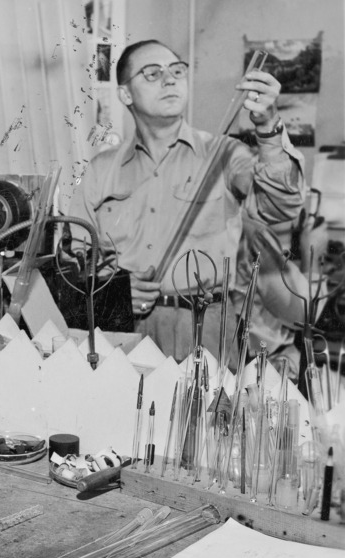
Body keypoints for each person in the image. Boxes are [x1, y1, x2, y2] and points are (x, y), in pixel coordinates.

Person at [68, 39, 305, 365]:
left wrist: (267, 125)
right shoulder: (99, 170)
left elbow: (282, 206)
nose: (169, 80)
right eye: (152, 73)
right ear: (125, 94)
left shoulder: (225, 154)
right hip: (124, 329)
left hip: (205, 327)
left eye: (176, 71)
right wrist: (114, 294)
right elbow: (73, 264)